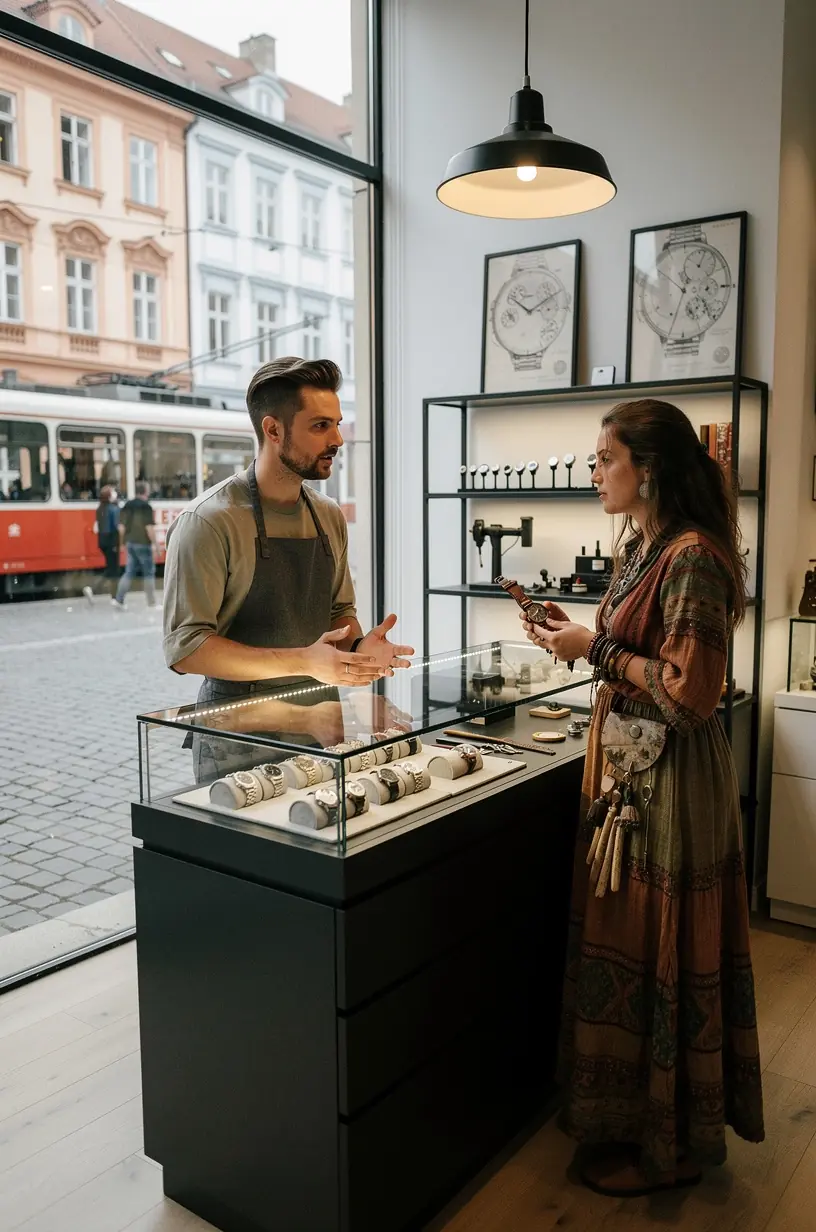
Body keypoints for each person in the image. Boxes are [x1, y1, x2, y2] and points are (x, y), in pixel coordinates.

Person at [521, 398, 764, 1196]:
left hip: (669, 784)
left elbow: (690, 695)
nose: (595, 473)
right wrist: (579, 637)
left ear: (648, 468)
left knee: (660, 942)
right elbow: (634, 650)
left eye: (605, 459)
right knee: (626, 938)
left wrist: (593, 650)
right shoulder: (644, 544)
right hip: (631, 771)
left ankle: (669, 1144)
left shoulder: (691, 554)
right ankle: (631, 1120)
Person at [162, 356, 414, 775]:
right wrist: (304, 661)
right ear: (273, 430)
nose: (337, 439)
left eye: (337, 423)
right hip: (236, 740)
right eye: (320, 426)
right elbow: (187, 650)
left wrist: (357, 651)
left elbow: (338, 613)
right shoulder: (208, 521)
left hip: (323, 731)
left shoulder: (328, 515)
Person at [113, 480, 157, 609]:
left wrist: (122, 543)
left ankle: (119, 600)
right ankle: (151, 602)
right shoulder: (146, 506)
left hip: (130, 543)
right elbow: (149, 528)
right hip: (143, 543)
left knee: (129, 572)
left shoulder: (127, 505)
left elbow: (121, 527)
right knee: (148, 573)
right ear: (145, 491)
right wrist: (156, 545)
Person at [83, 484, 120, 604]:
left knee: (110, 568)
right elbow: (116, 526)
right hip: (112, 541)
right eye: (113, 492)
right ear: (109, 496)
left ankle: (111, 595)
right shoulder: (113, 509)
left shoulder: (100, 508)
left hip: (102, 541)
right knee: (113, 570)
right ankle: (109, 595)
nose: (116, 494)